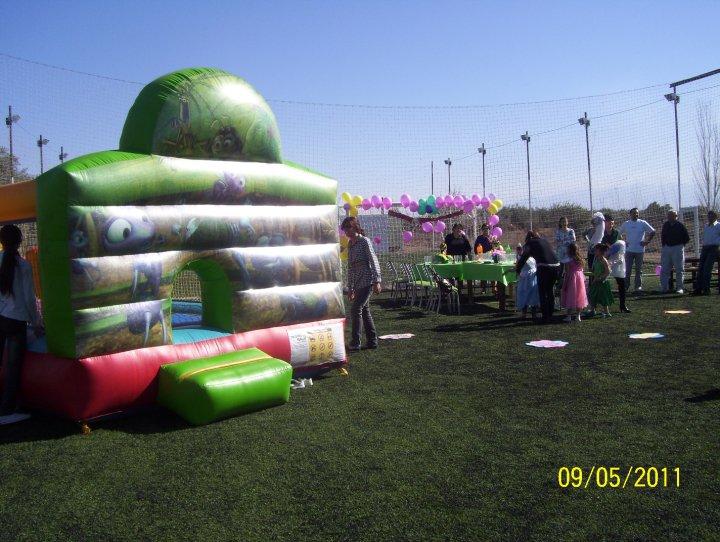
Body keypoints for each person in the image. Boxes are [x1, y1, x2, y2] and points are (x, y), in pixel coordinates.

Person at [0, 225, 43, 425]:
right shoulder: (23, 266)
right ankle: (7, 410)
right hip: (15, 320)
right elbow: (29, 299)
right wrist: (37, 323)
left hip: (2, 316)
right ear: (20, 241)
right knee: (13, 367)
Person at [341, 217, 382, 352]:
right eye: (345, 229)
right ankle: (372, 341)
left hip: (367, 280)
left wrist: (377, 281)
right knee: (365, 311)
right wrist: (351, 288)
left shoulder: (364, 241)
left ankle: (355, 342)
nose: (346, 231)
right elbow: (351, 267)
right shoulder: (350, 244)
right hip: (357, 283)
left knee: (356, 309)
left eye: (349, 227)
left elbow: (373, 259)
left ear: (355, 227)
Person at [516, 231, 560, 323]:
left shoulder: (530, 243)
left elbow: (524, 257)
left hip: (545, 267)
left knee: (542, 292)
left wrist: (518, 270)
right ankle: (550, 313)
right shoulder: (544, 241)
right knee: (550, 290)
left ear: (528, 238)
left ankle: (545, 316)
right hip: (556, 266)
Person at [618, 207, 655, 292]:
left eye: (637, 213)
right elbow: (618, 233)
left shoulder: (642, 223)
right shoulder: (626, 224)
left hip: (640, 251)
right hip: (629, 250)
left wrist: (647, 241)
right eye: (634, 213)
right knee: (627, 269)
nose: (636, 214)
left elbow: (653, 231)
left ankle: (638, 287)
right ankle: (626, 286)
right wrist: (624, 242)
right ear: (630, 214)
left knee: (639, 270)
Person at [660, 209, 690, 294]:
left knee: (679, 269)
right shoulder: (665, 225)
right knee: (664, 269)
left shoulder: (680, 225)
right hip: (667, 248)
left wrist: (680, 245)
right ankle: (664, 287)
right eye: (669, 215)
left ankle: (679, 288)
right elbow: (663, 236)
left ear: (676, 216)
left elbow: (686, 238)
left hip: (677, 248)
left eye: (672, 215)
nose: (670, 217)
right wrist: (664, 246)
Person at [693, 210, 720, 296]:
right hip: (705, 248)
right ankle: (698, 288)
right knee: (700, 268)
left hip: (714, 248)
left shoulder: (718, 226)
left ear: (715, 217)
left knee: (707, 269)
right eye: (708, 216)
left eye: (711, 216)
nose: (709, 218)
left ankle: (706, 289)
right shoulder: (706, 226)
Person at [560, 243, 587, 323]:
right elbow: (581, 269)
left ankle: (569, 316)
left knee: (570, 296)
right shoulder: (580, 259)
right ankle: (578, 316)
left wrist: (565, 282)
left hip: (572, 278)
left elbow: (567, 272)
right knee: (579, 296)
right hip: (580, 278)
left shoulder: (568, 260)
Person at [587, 243, 614, 318]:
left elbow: (608, 271)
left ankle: (607, 312)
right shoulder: (596, 259)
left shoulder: (603, 260)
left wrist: (600, 278)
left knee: (603, 297)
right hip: (596, 281)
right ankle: (592, 310)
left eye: (596, 250)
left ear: (601, 251)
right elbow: (595, 270)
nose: (595, 251)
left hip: (602, 282)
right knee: (592, 295)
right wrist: (592, 271)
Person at [515, 244, 539, 319]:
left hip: (530, 278)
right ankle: (527, 314)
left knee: (529, 294)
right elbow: (517, 267)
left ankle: (530, 314)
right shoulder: (525, 258)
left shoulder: (529, 258)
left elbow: (517, 268)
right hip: (527, 278)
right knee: (527, 294)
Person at [607, 240, 630, 313]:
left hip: (617, 267)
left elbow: (619, 257)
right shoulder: (618, 244)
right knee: (599, 285)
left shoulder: (620, 244)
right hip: (608, 264)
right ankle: (594, 307)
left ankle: (622, 305)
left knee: (622, 286)